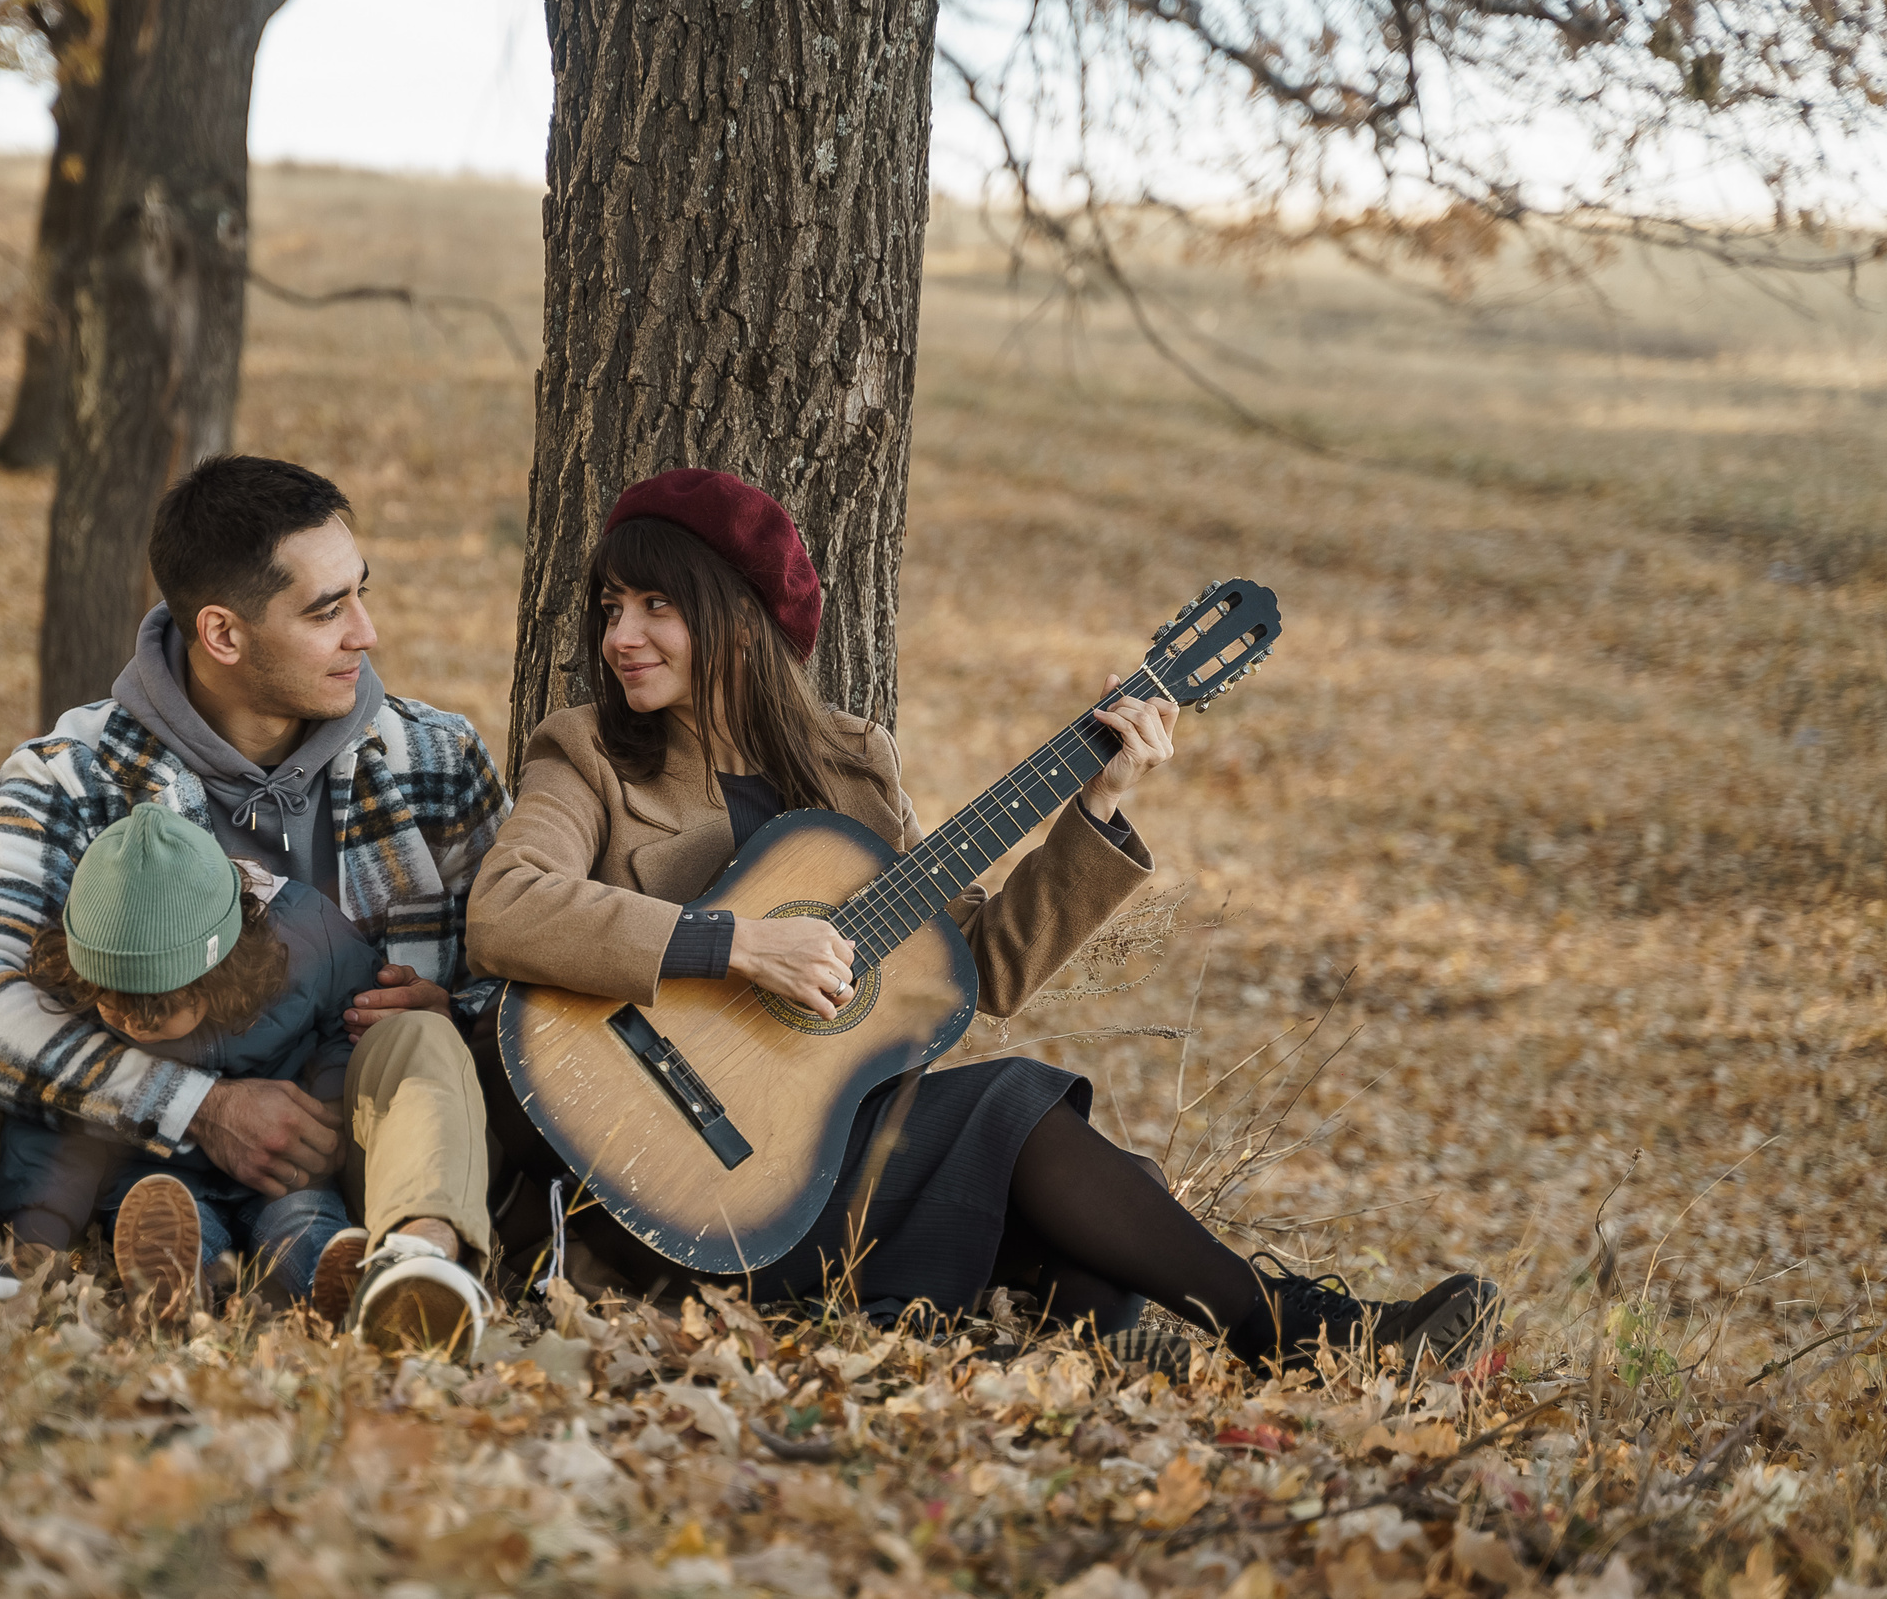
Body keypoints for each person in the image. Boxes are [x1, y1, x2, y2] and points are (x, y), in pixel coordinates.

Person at [465, 469, 1497, 1373]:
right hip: (665, 1171)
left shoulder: (850, 768)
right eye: (611, 606)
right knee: (1019, 1113)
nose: (619, 637)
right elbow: (507, 911)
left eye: (655, 605)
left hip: (822, 1152)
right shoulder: (589, 754)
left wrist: (1093, 809)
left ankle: (1112, 1336)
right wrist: (737, 943)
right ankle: (1289, 1329)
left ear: (737, 614)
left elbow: (981, 968)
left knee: (1101, 1184)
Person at [0, 457, 505, 1348]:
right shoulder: (71, 770)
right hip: (124, 1151)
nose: (366, 632)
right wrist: (200, 1108)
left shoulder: (434, 758)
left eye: (360, 594)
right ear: (222, 634)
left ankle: (414, 1266)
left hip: (347, 1146)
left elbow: (523, 986)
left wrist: (460, 1012)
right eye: (326, 610)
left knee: (419, 1038)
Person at [0, 806, 378, 1317]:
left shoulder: (309, 941)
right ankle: (171, 1290)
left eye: (158, 1007)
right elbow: (57, 1130)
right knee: (163, 1217)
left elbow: (351, 1019)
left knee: (304, 1219)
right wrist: (40, 1234)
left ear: (220, 969)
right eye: (111, 999)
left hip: (286, 1169)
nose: (133, 1023)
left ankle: (334, 1290)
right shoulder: (78, 1003)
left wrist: (330, 1105)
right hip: (156, 1172)